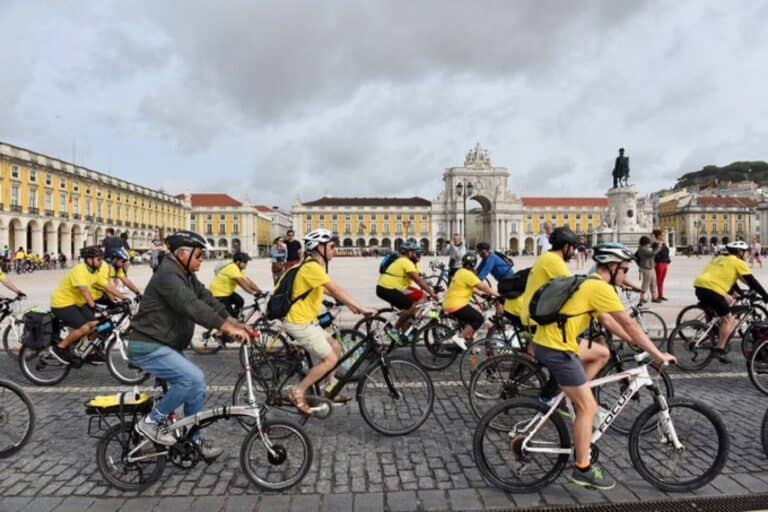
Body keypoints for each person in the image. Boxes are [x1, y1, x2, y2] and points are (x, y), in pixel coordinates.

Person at [533, 243, 676, 490]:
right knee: (587, 407)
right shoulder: (599, 287)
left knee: (601, 352)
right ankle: (582, 469)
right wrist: (657, 354)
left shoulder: (588, 282)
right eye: (624, 270)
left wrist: (634, 343)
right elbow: (629, 324)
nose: (625, 276)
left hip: (550, 341)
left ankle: (572, 394)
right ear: (612, 267)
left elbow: (607, 320)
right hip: (558, 348)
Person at [127, 230, 253, 456]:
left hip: (166, 344)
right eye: (199, 256)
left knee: (197, 388)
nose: (202, 260)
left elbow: (206, 299)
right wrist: (226, 329)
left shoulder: (185, 275)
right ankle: (151, 422)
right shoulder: (168, 275)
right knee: (191, 378)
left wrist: (235, 323)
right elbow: (192, 306)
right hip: (147, 344)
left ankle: (192, 439)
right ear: (182, 254)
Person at [280, 229, 374, 415]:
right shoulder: (312, 267)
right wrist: (360, 307)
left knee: (336, 347)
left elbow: (325, 289)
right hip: (298, 322)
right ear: (320, 248)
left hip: (308, 320)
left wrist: (350, 305)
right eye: (331, 246)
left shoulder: (312, 266)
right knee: (330, 358)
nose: (335, 249)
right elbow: (335, 289)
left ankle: (330, 388)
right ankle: (297, 392)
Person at [693, 240, 768, 363]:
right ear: (739, 252)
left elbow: (730, 279)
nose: (747, 254)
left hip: (700, 288)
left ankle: (711, 332)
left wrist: (740, 293)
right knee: (729, 320)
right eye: (745, 252)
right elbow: (751, 281)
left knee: (719, 310)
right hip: (713, 291)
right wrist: (765, 295)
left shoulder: (719, 259)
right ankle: (720, 350)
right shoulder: (738, 262)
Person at [48, 246, 124, 364]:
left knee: (97, 324)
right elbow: (84, 291)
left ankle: (87, 351)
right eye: (98, 259)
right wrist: (94, 306)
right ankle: (59, 348)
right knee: (85, 326)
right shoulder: (80, 270)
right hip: (62, 303)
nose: (101, 262)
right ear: (89, 260)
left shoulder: (94, 271)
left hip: (77, 303)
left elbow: (106, 285)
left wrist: (123, 298)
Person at [375, 240, 438, 344]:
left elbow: (421, 278)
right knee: (409, 307)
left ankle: (405, 333)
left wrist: (432, 287)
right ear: (409, 253)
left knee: (417, 300)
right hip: (387, 288)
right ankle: (394, 330)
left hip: (395, 287)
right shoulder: (405, 261)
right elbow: (418, 280)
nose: (418, 255)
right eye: (416, 253)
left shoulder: (411, 263)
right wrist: (431, 292)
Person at [443, 252, 500, 350]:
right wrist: (498, 295)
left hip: (449, 303)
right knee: (479, 319)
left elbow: (472, 288)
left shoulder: (460, 271)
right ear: (474, 264)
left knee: (470, 319)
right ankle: (459, 338)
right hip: (457, 305)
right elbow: (484, 286)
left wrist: (483, 295)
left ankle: (464, 343)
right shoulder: (469, 275)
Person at [209, 252, 261, 318]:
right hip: (218, 294)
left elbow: (248, 282)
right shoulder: (232, 268)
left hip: (227, 293)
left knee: (240, 301)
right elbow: (242, 284)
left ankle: (235, 317)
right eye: (245, 262)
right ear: (238, 262)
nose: (246, 264)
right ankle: (231, 321)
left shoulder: (239, 269)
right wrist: (253, 293)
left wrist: (259, 290)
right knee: (229, 316)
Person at [635, 236, 659, 304]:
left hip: (651, 267)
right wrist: (657, 248)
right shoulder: (642, 249)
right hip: (646, 268)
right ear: (645, 243)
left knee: (653, 283)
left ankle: (654, 297)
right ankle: (642, 298)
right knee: (646, 283)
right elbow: (652, 254)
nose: (649, 244)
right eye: (648, 243)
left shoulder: (646, 248)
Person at [652, 229, 670, 301]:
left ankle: (661, 295)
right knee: (658, 280)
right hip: (659, 263)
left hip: (665, 263)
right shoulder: (655, 244)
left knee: (661, 281)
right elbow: (655, 254)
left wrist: (667, 261)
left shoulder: (664, 243)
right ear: (658, 236)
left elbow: (666, 253)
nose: (664, 236)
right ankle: (657, 296)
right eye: (662, 235)